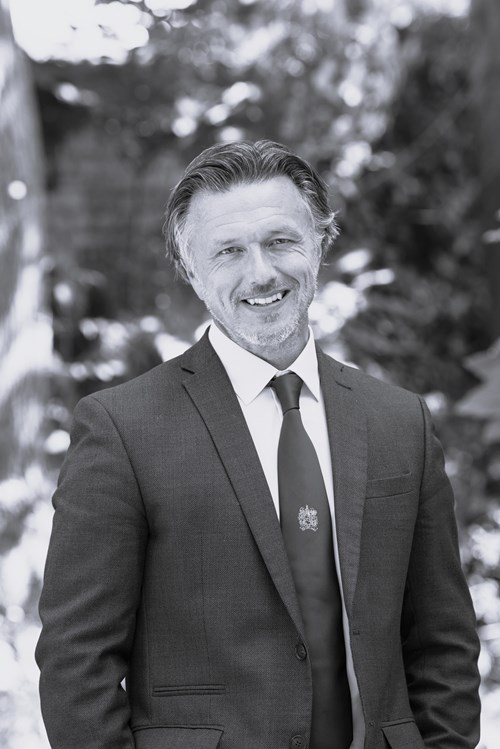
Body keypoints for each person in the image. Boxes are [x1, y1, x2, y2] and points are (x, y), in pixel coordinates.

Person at [36, 140, 481, 749]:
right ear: (191, 271)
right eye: (228, 251)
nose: (261, 273)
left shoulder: (400, 421)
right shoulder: (121, 430)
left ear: (320, 242)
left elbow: (443, 642)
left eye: (280, 241)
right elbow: (76, 660)